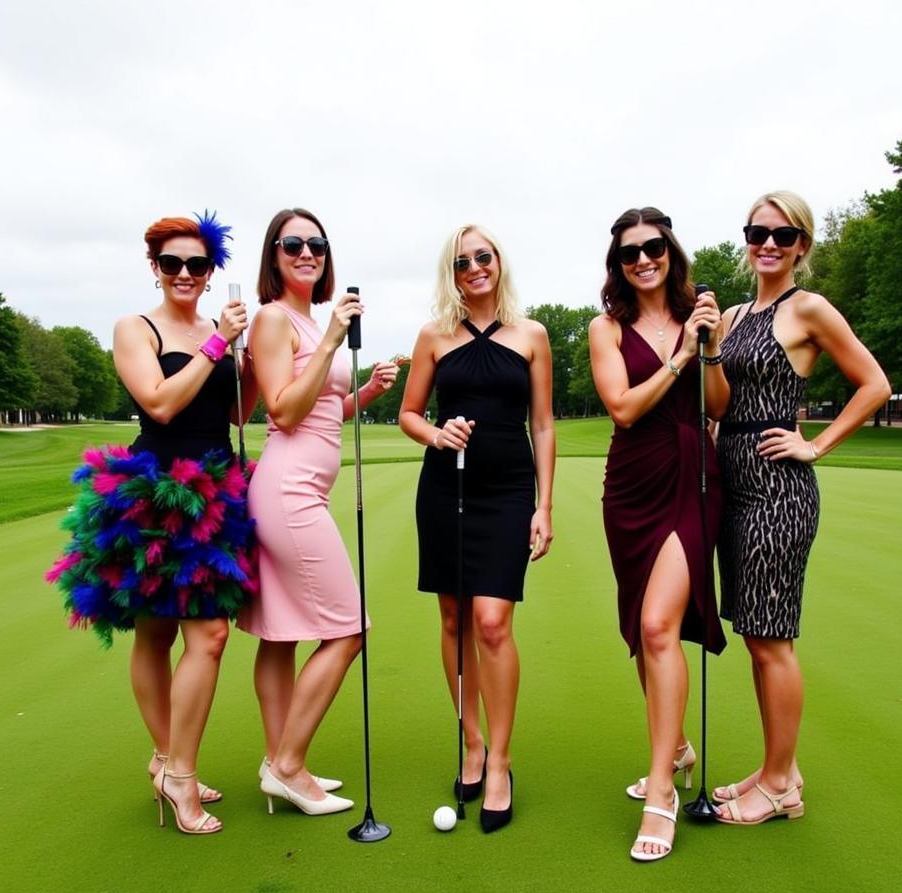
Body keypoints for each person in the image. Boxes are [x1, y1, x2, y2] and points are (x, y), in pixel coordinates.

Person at [47, 211, 256, 835]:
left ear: (211, 269)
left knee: (196, 636)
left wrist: (240, 363)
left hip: (213, 488)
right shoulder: (134, 328)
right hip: (154, 492)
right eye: (173, 263)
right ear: (155, 268)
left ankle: (170, 765)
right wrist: (217, 343)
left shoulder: (217, 330)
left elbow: (239, 412)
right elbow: (160, 404)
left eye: (197, 264)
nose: (186, 273)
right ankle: (177, 770)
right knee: (173, 637)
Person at [713, 190, 890, 825]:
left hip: (778, 490)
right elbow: (717, 403)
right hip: (733, 486)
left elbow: (875, 384)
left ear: (801, 246)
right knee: (755, 634)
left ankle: (783, 783)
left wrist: (815, 444)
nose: (767, 244)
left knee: (772, 640)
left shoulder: (809, 308)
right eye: (756, 232)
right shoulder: (733, 314)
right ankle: (772, 768)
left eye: (782, 236)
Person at [237, 208, 399, 817]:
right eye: (293, 244)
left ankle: (278, 758)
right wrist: (333, 338)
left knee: (280, 635)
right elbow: (280, 412)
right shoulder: (275, 320)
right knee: (349, 629)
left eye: (317, 244)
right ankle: (287, 765)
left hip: (303, 486)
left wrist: (370, 393)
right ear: (273, 255)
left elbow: (324, 410)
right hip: (288, 491)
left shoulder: (305, 320)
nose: (308, 252)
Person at [399, 224, 554, 833]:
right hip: (446, 488)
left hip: (509, 490)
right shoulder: (433, 335)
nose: (474, 268)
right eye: (462, 261)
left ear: (499, 262)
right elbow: (410, 413)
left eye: (483, 257)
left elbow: (542, 425)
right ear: (452, 271)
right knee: (454, 620)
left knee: (492, 620)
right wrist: (436, 434)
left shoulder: (532, 334)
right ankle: (470, 742)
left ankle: (501, 760)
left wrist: (545, 506)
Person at [588, 207, 727, 862]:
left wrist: (710, 346)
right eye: (629, 252)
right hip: (632, 485)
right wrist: (678, 358)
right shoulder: (605, 328)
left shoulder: (700, 316)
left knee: (657, 628)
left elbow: (718, 404)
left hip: (693, 477)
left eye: (653, 247)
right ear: (617, 265)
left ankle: (661, 792)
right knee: (640, 632)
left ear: (670, 250)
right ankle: (675, 748)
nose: (643, 258)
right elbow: (622, 407)